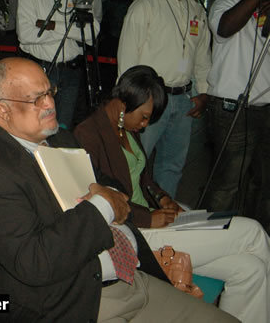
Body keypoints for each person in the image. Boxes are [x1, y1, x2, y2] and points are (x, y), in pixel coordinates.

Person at [0, 57, 236, 322]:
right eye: (36, 98)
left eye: (50, 91)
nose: (50, 104)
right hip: (77, 302)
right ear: (2, 110)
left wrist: (107, 196)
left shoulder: (60, 138)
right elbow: (36, 261)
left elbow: (111, 184)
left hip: (133, 279)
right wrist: (101, 205)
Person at [74, 65, 270, 323]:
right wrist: (149, 217)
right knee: (253, 231)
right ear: (123, 104)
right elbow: (99, 199)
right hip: (140, 234)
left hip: (157, 223)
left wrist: (164, 198)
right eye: (144, 117)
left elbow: (144, 179)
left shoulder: (125, 129)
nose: (144, 126)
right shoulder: (88, 134)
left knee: (250, 270)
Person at [117, 0, 211, 198]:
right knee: (138, 161)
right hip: (149, 99)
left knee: (172, 166)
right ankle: (136, 213)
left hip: (183, 99)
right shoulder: (145, 6)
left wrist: (203, 92)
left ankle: (164, 213)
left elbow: (202, 55)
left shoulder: (196, 9)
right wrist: (130, 101)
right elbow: (127, 58)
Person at [204, 0, 270, 225]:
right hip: (231, 109)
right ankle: (212, 237)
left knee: (262, 183)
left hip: (265, 109)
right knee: (227, 184)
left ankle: (254, 235)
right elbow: (225, 28)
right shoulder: (228, 1)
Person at [16, 0, 102, 128]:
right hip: (41, 69)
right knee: (35, 126)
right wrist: (73, 31)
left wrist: (51, 25)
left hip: (72, 72)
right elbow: (26, 35)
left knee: (62, 128)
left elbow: (91, 33)